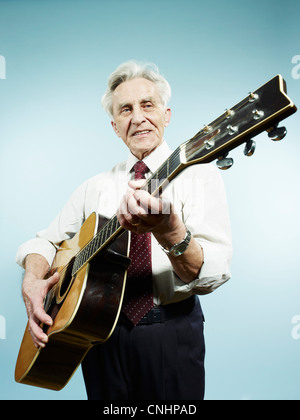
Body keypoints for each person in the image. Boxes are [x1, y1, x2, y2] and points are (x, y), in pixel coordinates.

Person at [16, 61, 232, 400]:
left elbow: (213, 273)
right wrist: (32, 281)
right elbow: (42, 242)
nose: (138, 117)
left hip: (170, 331)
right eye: (126, 110)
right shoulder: (95, 186)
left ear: (167, 114)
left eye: (148, 105)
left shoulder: (198, 175)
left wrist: (170, 230)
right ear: (116, 126)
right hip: (98, 333)